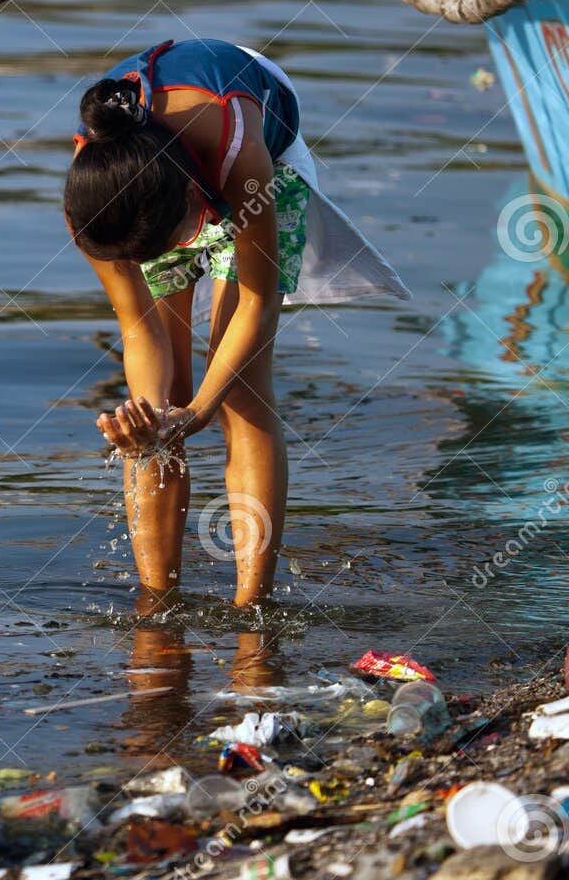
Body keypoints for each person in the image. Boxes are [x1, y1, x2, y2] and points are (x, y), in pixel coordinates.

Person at [63, 38, 407, 606]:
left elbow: (257, 303)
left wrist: (197, 413)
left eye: (176, 245)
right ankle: (157, 601)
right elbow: (139, 328)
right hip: (157, 198)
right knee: (156, 411)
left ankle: (253, 608)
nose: (178, 258)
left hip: (262, 154)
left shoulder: (239, 158)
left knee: (241, 394)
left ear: (192, 204)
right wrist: (152, 426)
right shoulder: (93, 203)